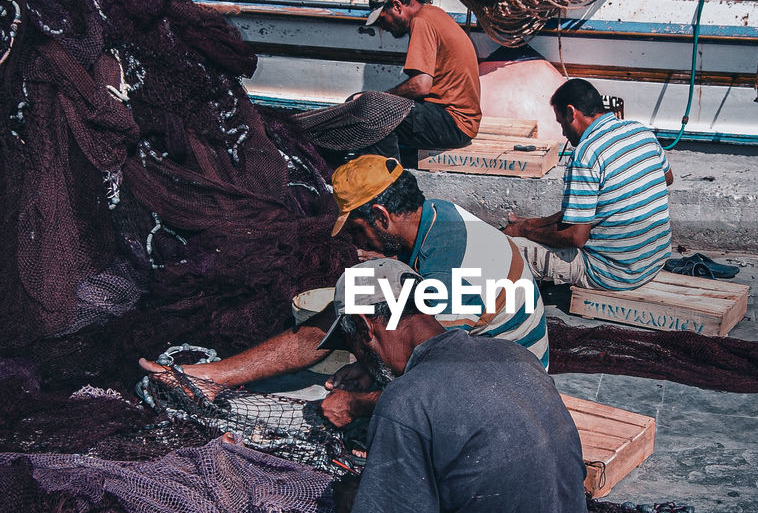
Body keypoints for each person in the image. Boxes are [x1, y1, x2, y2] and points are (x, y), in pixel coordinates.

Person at [268, 258, 591, 513]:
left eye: (351, 342)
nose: (356, 356)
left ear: (368, 325)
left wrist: (356, 506)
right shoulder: (511, 355)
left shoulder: (406, 401)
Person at [139, 154, 548, 425]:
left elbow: (438, 383)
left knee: (377, 412)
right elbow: (327, 324)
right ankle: (211, 377)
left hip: (507, 385)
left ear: (382, 216)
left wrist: (359, 403)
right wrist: (214, 375)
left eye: (359, 230)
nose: (360, 245)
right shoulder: (432, 217)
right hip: (459, 357)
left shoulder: (458, 264)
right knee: (352, 303)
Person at [503, 78, 674, 290]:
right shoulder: (640, 131)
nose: (563, 133)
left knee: (506, 247)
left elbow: (576, 237)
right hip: (655, 260)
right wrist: (532, 223)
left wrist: (523, 231)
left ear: (571, 113)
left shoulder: (586, 154)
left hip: (615, 274)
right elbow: (667, 178)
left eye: (561, 123)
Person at [362, 0, 482, 160]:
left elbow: (420, 85)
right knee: (376, 108)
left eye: (382, 19)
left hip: (453, 123)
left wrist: (381, 98)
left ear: (396, 6)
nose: (383, 27)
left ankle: (387, 183)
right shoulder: (433, 13)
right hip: (458, 120)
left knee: (375, 114)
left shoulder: (421, 22)